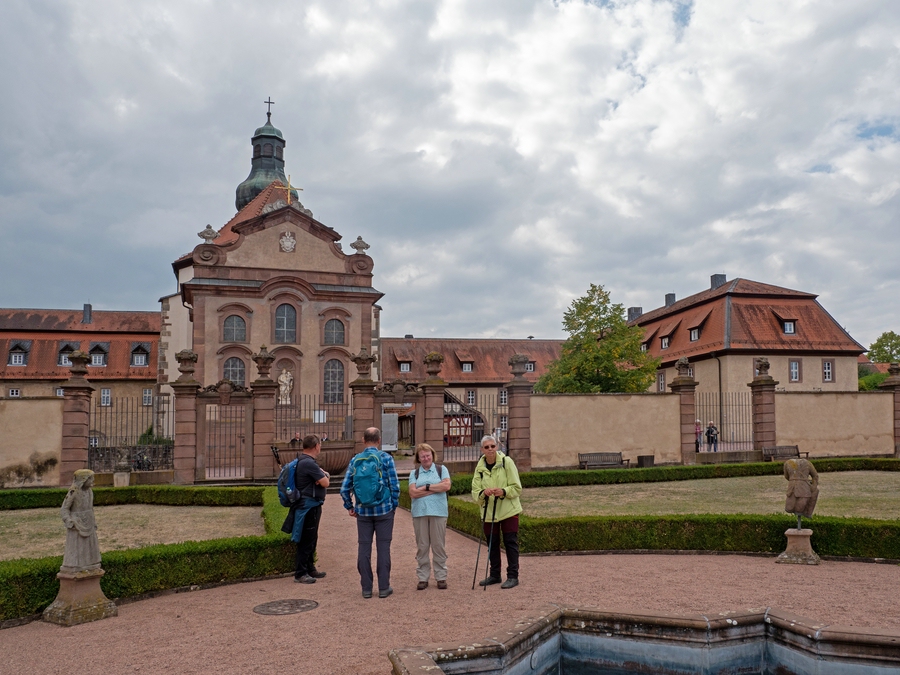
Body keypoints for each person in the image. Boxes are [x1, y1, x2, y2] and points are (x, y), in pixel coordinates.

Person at [341, 427, 400, 599]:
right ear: (379, 440)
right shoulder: (386, 458)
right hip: (384, 510)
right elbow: (394, 486)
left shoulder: (355, 460)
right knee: (383, 548)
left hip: (363, 512)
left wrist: (349, 506)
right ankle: (383, 587)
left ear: (363, 440)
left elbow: (344, 488)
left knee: (363, 548)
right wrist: (393, 505)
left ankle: (366, 588)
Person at [471, 434, 522, 589]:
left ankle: (513, 576)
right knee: (492, 544)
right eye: (487, 447)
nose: (490, 449)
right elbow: (475, 492)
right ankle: (495, 575)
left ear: (497, 447)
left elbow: (517, 487)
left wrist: (504, 491)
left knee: (510, 543)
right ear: (482, 449)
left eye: (492, 446)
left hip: (508, 510)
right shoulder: (479, 468)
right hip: (489, 511)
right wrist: (483, 493)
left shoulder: (507, 462)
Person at [281, 434, 330, 583]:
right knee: (307, 539)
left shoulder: (304, 461)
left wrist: (322, 476)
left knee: (311, 537)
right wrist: (323, 476)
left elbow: (323, 479)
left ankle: (310, 568)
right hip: (308, 505)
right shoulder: (309, 463)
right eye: (319, 445)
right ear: (316, 446)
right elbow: (326, 482)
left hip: (310, 504)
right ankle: (300, 572)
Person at [408, 443, 451, 590]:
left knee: (439, 545)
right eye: (423, 456)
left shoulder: (441, 469)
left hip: (438, 512)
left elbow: (446, 486)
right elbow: (413, 493)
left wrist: (425, 487)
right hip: (419, 513)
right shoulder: (414, 473)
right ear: (418, 459)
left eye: (428, 455)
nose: (426, 458)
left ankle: (441, 576)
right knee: (422, 546)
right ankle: (423, 577)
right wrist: (435, 488)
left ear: (432, 455)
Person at [60, 469, 101, 573]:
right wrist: (69, 521)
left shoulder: (90, 492)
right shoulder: (73, 492)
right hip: (76, 524)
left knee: (89, 546)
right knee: (77, 548)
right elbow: (64, 509)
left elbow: (90, 508)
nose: (92, 481)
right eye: (90, 479)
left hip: (89, 523)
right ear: (83, 479)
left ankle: (91, 564)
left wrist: (93, 521)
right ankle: (75, 567)